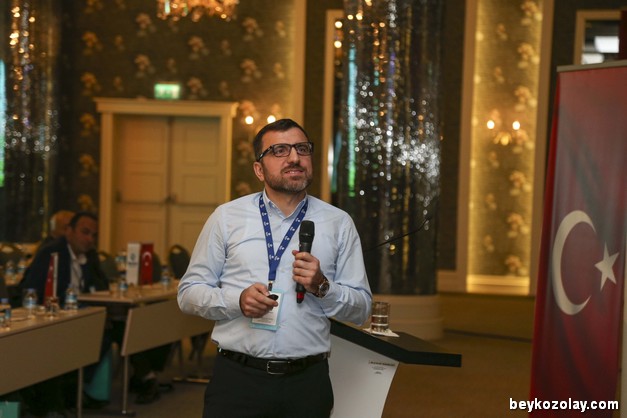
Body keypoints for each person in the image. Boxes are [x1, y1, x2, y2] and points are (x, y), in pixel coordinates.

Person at [178, 118, 372, 418]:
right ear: (259, 169)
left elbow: (361, 309)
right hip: (237, 381)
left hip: (306, 383)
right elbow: (189, 293)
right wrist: (237, 300)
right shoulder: (226, 218)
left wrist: (323, 286)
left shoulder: (338, 223)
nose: (294, 157)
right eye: (279, 150)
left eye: (302, 149)